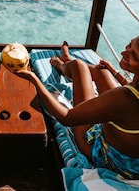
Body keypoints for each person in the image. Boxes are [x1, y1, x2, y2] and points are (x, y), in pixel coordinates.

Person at [13, 38, 139, 179]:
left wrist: (34, 80)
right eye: (128, 45)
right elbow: (131, 88)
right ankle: (66, 61)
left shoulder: (123, 98)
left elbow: (67, 117)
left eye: (134, 55)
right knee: (103, 71)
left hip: (110, 159)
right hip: (135, 163)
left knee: (79, 66)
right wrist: (114, 72)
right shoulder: (131, 94)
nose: (123, 52)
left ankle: (63, 65)